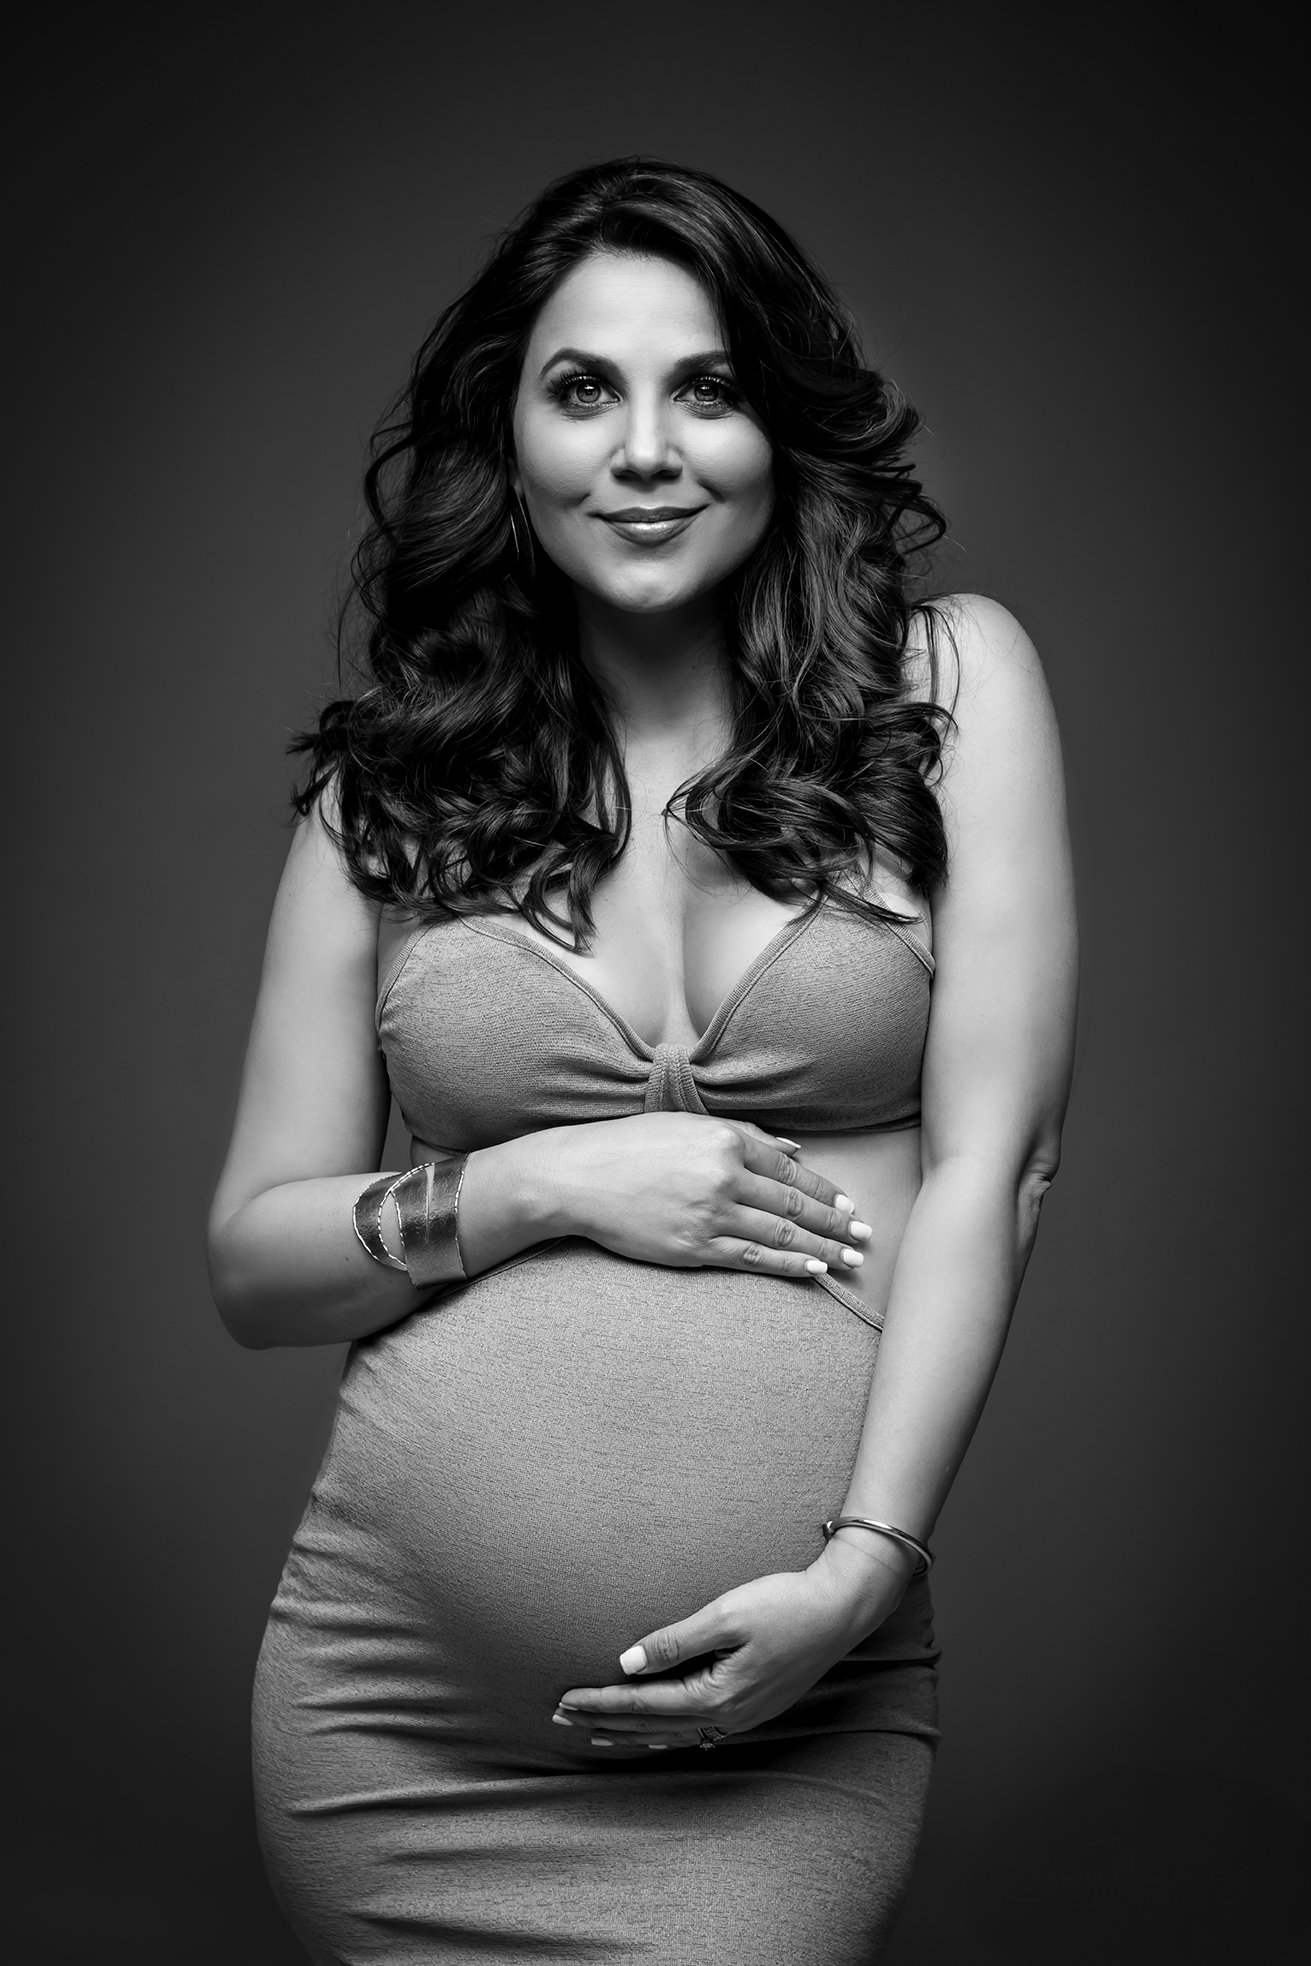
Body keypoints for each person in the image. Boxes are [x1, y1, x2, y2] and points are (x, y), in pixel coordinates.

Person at [208, 157, 1077, 1964]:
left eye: (708, 386)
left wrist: (862, 1569)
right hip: (396, 1717)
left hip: (789, 1709)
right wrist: (540, 1181)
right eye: (584, 388)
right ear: (507, 439)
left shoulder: (954, 696)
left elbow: (997, 1168)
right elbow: (257, 1266)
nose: (648, 448)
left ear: (780, 426)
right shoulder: (391, 793)